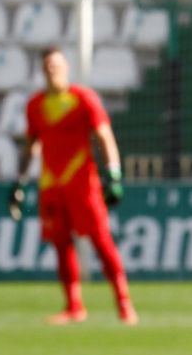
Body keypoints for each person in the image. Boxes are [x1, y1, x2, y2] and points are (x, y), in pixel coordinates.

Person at [11, 47, 135, 325]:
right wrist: (18, 182)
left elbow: (104, 136)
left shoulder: (83, 99)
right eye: (47, 66)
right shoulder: (35, 105)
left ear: (66, 67)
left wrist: (114, 175)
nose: (52, 70)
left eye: (56, 65)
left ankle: (124, 304)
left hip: (82, 183)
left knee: (101, 241)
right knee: (60, 244)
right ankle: (74, 306)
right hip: (51, 184)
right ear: (42, 71)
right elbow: (31, 147)